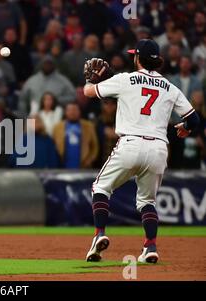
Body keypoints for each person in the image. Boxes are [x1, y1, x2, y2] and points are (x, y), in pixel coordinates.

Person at [83, 39, 200, 263]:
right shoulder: (171, 87)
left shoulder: (125, 79)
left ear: (137, 58)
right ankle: (150, 247)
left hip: (130, 143)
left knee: (101, 187)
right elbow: (194, 120)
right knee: (147, 202)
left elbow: (89, 93)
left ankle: (99, 234)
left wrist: (93, 80)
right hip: (158, 149)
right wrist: (184, 129)